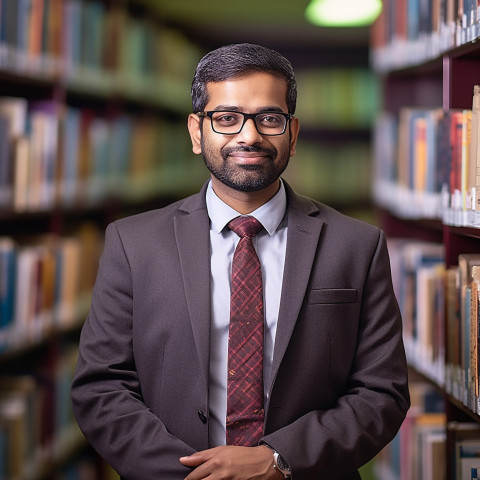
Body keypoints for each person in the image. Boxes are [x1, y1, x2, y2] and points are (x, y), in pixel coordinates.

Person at [71, 43, 410, 480]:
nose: (249, 136)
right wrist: (195, 476)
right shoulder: (132, 244)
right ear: (197, 132)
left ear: (293, 133)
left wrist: (277, 460)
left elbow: (381, 394)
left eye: (269, 118)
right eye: (226, 118)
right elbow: (101, 388)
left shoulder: (357, 245)